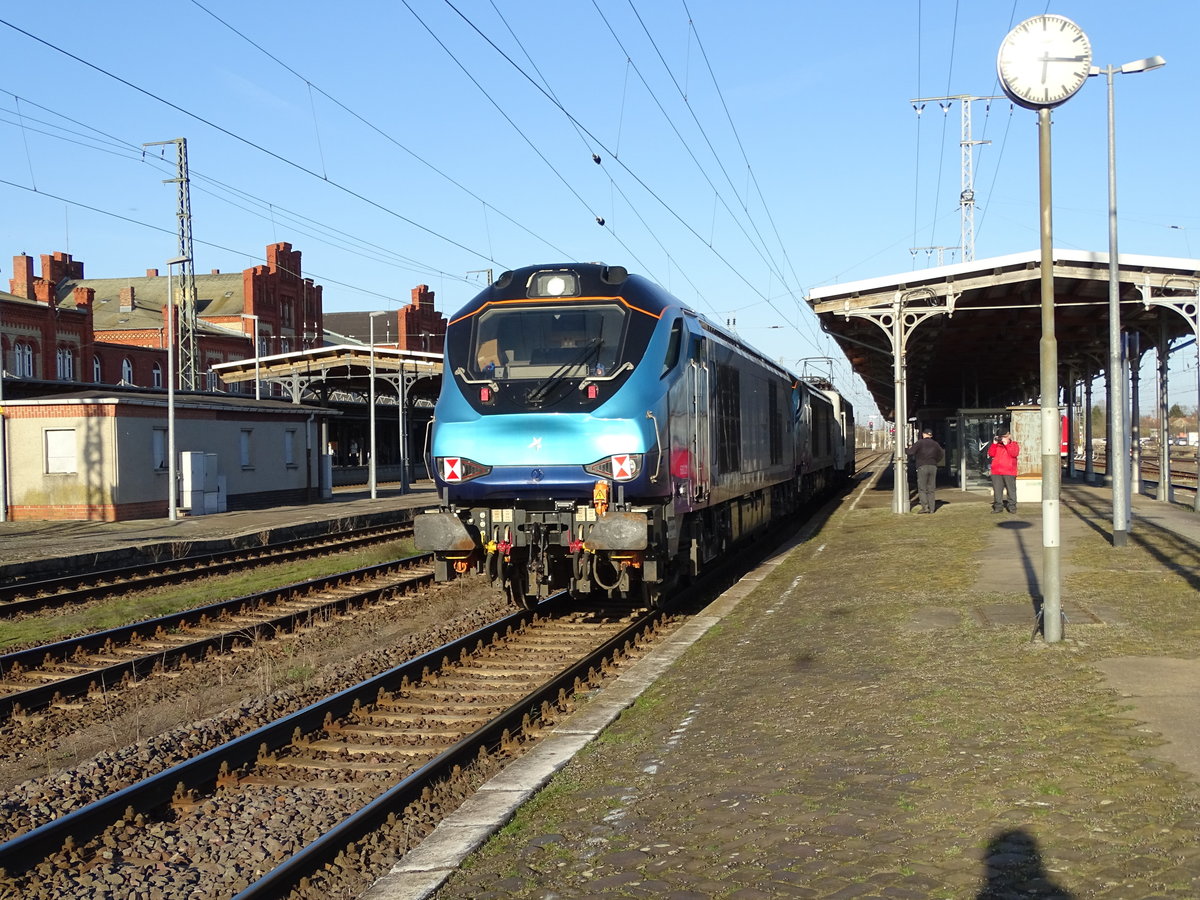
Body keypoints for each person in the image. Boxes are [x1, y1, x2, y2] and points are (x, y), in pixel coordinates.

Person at [906, 428, 944, 514]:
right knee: (931, 488)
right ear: (931, 435)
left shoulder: (920, 443)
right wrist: (935, 461)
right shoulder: (935, 444)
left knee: (922, 488)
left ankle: (925, 507)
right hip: (933, 466)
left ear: (923, 434)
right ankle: (932, 508)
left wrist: (904, 449)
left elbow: (910, 452)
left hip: (922, 466)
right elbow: (941, 454)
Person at [988, 431, 1020, 513]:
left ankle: (1012, 507)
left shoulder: (1014, 444)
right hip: (996, 471)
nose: (1002, 438)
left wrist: (1007, 444)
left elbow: (1014, 454)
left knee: (1011, 490)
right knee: (997, 491)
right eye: (1001, 437)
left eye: (1004, 436)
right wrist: (994, 444)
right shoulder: (997, 445)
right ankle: (998, 507)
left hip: (1009, 471)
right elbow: (991, 454)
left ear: (1009, 436)